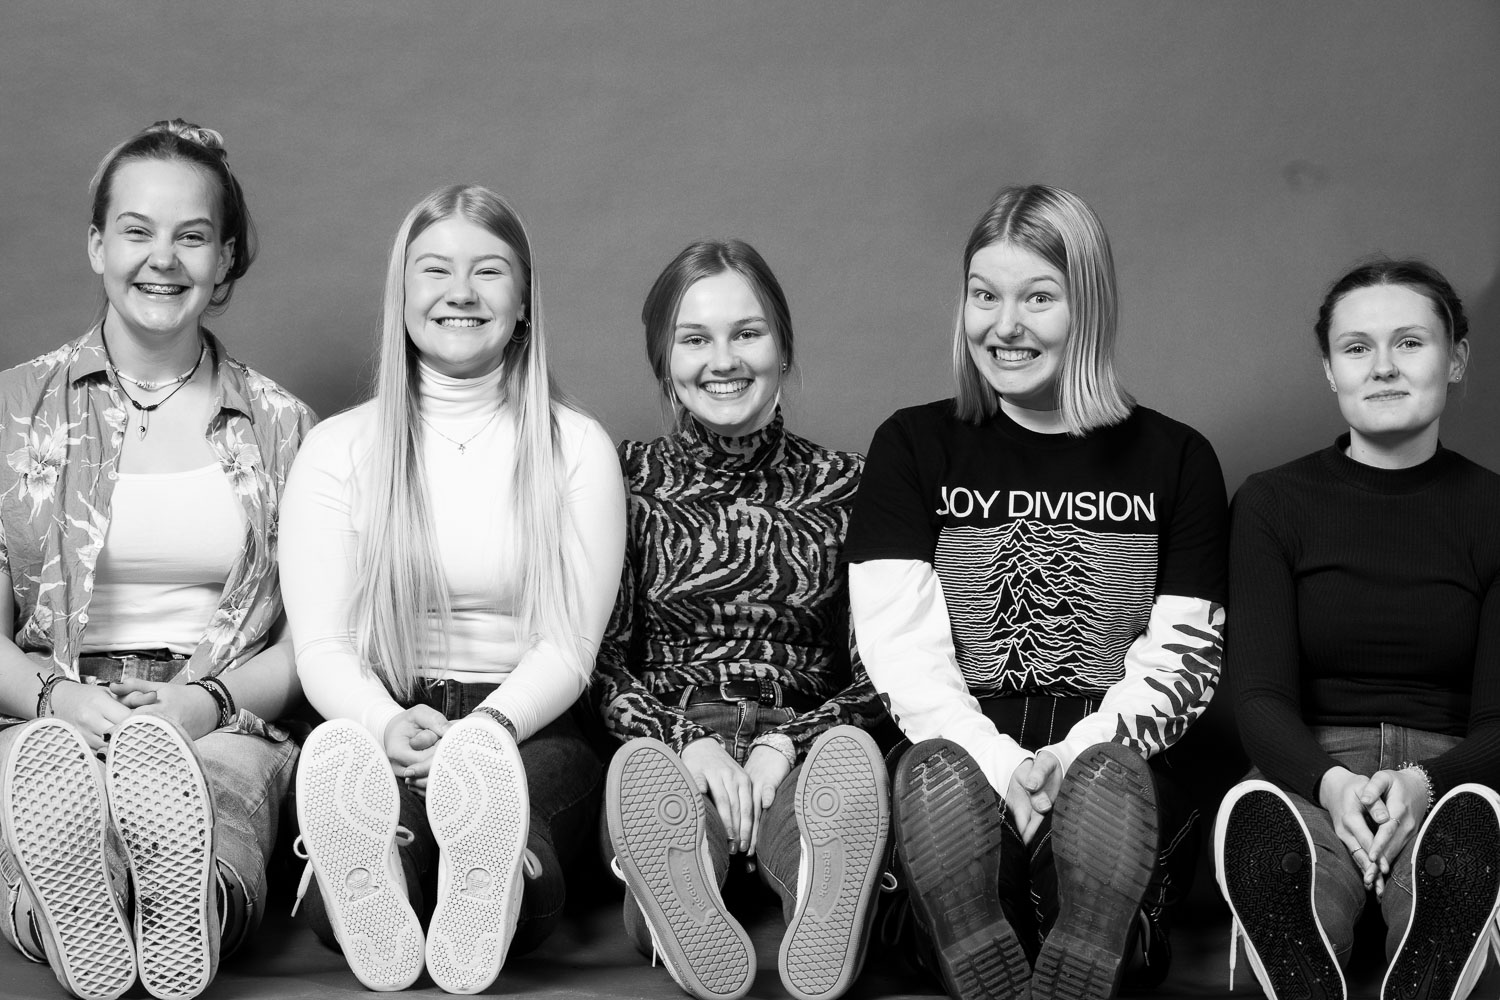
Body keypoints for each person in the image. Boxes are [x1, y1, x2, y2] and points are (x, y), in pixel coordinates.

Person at [843, 184, 1228, 1000]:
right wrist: (999, 763)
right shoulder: (912, 444)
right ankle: (966, 936)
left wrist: (1072, 764)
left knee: (1104, 837)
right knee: (941, 809)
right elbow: (899, 648)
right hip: (955, 739)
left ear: (1089, 306)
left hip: (1117, 750)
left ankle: (1092, 942)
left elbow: (1184, 657)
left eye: (1038, 298)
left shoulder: (1177, 458)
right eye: (985, 296)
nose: (1005, 325)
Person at [279, 184, 625, 994]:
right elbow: (323, 646)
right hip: (385, 717)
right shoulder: (338, 449)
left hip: (530, 726)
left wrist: (487, 736)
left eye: (489, 271)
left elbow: (571, 647)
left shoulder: (577, 447)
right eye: (435, 270)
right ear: (401, 296)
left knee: (524, 846)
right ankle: (381, 882)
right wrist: (383, 723)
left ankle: (494, 880)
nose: (461, 292)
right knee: (371, 847)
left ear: (524, 300)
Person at [0, 119, 314, 1000]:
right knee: (44, 811)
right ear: (97, 244)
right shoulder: (14, 411)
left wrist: (205, 704)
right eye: (137, 230)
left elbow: (312, 642)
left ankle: (196, 912)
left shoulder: (286, 428)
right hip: (46, 710)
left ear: (225, 258)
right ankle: (67, 915)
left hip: (217, 714)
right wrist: (56, 700)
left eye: (193, 236)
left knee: (218, 816)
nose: (163, 259)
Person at [597, 239, 893, 1000]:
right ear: (664, 359)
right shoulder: (623, 479)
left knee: (819, 824)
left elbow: (882, 673)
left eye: (747, 333)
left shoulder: (849, 486)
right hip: (670, 745)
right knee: (666, 823)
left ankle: (823, 898)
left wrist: (785, 746)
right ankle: (673, 900)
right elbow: (600, 662)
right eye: (695, 339)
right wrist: (683, 741)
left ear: (783, 346)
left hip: (803, 745)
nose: (723, 360)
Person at [1214, 258, 1500, 1000]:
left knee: (1459, 847)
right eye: (1356, 347)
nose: (1382, 367)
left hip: (1454, 777)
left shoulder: (1495, 511)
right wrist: (1333, 784)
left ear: (1456, 358)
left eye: (1409, 342)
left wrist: (1425, 782)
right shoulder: (1272, 503)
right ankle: (1297, 927)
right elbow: (1259, 699)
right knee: (1288, 854)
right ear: (1329, 370)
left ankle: (1441, 923)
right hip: (1310, 770)